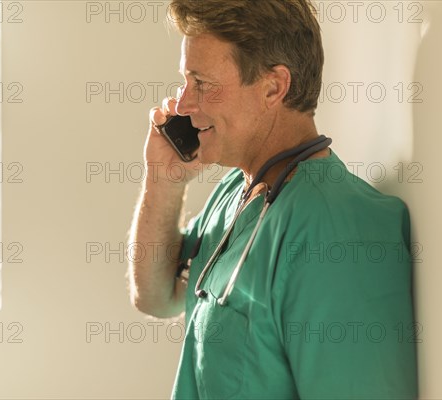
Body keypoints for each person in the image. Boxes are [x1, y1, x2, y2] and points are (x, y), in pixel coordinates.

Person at [127, 0, 418, 398]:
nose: (181, 105)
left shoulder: (334, 232)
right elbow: (156, 297)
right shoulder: (237, 189)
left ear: (273, 87)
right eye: (186, 80)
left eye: (203, 83)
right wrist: (163, 181)